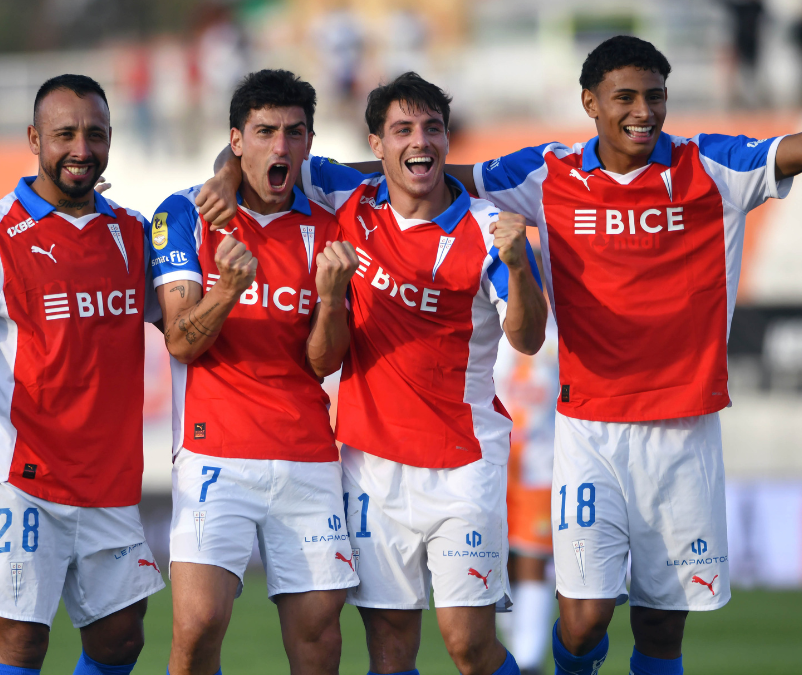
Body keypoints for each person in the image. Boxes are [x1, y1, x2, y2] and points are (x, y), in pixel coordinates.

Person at [454, 36, 802, 675]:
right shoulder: (547, 174)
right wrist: (310, 178)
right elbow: (429, 173)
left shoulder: (712, 167)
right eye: (626, 97)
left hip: (686, 430)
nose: (643, 110)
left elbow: (793, 149)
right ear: (590, 102)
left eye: (656, 96)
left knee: (662, 628)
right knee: (584, 624)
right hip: (590, 428)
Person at [202, 71, 548, 675]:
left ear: (446, 140)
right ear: (376, 144)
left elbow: (528, 335)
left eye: (433, 128)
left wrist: (520, 267)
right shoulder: (350, 197)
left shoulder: (486, 230)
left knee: (468, 644)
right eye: (403, 129)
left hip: (463, 462)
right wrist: (223, 177)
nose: (421, 141)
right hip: (369, 464)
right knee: (389, 652)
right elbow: (264, 154)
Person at [0, 74, 165, 675]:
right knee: (20, 644)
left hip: (108, 480)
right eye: (65, 134)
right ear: (34, 139)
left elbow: (175, 327)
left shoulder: (131, 234)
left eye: (95, 134)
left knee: (121, 640)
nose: (81, 148)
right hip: (19, 478)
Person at [150, 69, 359, 675]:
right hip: (214, 454)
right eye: (265, 132)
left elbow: (324, 362)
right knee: (196, 629)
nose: (281, 147)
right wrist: (227, 292)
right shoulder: (186, 215)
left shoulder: (329, 228)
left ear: (310, 143)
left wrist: (330, 300)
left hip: (307, 455)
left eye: (294, 133)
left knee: (319, 640)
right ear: (236, 140)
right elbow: (183, 343)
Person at [495, 315, 560, 675]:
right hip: (493, 460)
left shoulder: (557, 336)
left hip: (539, 464)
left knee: (532, 560)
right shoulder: (492, 328)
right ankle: (512, 654)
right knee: (497, 561)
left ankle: (530, 662)